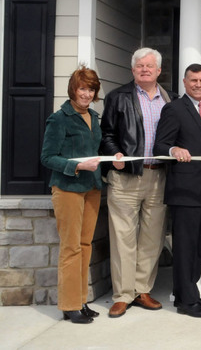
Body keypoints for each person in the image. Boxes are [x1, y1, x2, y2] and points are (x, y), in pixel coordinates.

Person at [100, 48, 176, 318]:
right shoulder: (117, 97)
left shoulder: (171, 100)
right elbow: (107, 134)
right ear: (133, 71)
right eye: (139, 66)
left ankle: (143, 289)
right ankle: (123, 294)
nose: (145, 69)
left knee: (152, 238)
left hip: (159, 177)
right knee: (123, 238)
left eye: (150, 66)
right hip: (126, 176)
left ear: (158, 70)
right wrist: (114, 155)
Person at [154, 64, 201, 318]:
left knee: (200, 246)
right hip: (185, 191)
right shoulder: (174, 109)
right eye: (193, 80)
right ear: (185, 82)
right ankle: (187, 301)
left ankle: (187, 293)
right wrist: (174, 150)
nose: (198, 84)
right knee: (186, 247)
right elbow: (160, 145)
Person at [40, 67, 103, 324]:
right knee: (71, 248)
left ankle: (80, 300)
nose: (87, 94)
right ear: (73, 90)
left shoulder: (94, 117)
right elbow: (47, 157)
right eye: (82, 89)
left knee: (86, 246)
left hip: (91, 189)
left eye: (91, 89)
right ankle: (68, 305)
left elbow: (95, 150)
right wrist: (76, 166)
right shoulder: (59, 119)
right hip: (67, 189)